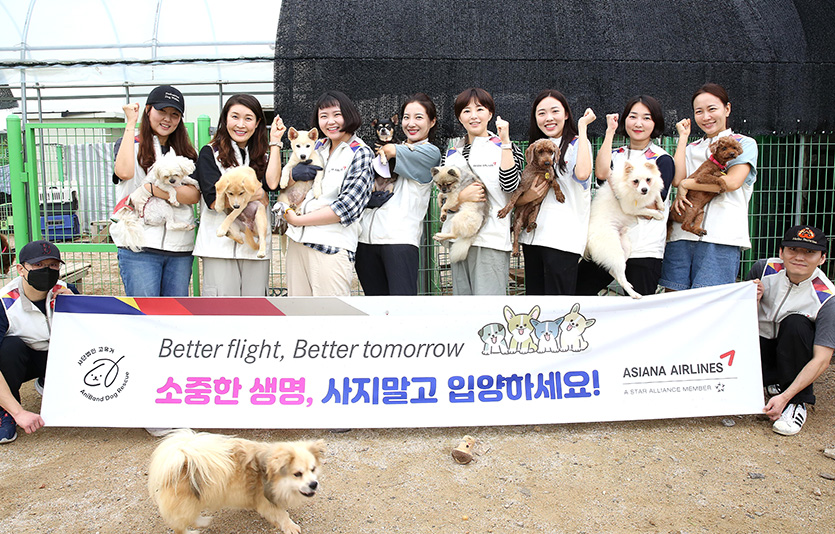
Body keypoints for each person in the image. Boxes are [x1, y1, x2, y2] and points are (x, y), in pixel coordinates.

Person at [660, 83, 758, 290]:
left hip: (721, 236)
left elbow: (732, 182)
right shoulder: (693, 147)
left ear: (727, 109)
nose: (706, 117)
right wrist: (683, 139)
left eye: (712, 109)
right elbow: (678, 179)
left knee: (710, 302)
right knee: (673, 298)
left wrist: (688, 184)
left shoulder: (744, 143)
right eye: (699, 112)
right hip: (681, 234)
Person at [577, 95, 674, 296]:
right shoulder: (615, 154)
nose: (638, 123)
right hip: (608, 240)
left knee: (640, 308)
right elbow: (602, 174)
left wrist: (620, 194)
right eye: (633, 116)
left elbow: (654, 205)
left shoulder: (662, 159)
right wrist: (610, 132)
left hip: (644, 249)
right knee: (579, 293)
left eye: (646, 118)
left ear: (655, 123)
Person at [281, 90, 374, 296]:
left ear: (349, 115)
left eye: (336, 114)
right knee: (298, 314)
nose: (330, 121)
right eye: (324, 116)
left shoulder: (360, 152)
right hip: (297, 243)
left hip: (330, 247)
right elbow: (283, 184)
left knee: (332, 318)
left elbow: (348, 208)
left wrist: (297, 220)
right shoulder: (317, 146)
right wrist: (293, 175)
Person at [112, 85, 200, 296]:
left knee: (174, 316)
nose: (167, 119)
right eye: (162, 111)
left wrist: (152, 189)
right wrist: (131, 123)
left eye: (174, 114)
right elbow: (124, 172)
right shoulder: (129, 144)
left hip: (178, 248)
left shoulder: (186, 153)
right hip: (139, 246)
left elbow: (194, 195)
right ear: (148, 110)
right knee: (145, 315)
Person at [747, 225, 833, 436]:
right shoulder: (764, 269)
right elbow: (736, 322)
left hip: (794, 354)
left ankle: (796, 403)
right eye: (793, 249)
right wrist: (752, 301)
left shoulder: (827, 297)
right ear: (781, 252)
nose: (799, 257)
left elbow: (822, 359)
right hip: (759, 350)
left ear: (822, 258)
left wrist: (785, 397)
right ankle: (769, 384)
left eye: (809, 252)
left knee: (796, 323)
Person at [193, 94, 283, 296]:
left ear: (258, 122)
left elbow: (272, 184)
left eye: (248, 118)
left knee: (256, 308)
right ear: (225, 119)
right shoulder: (209, 153)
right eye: (235, 117)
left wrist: (275, 142)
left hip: (256, 247)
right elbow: (214, 201)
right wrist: (257, 193)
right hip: (219, 248)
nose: (241, 124)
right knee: (220, 309)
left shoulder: (263, 155)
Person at [439, 88, 523, 296]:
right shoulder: (451, 151)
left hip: (490, 240)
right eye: (466, 111)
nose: (473, 116)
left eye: (480, 109)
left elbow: (510, 186)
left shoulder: (506, 146)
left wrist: (505, 143)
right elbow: (443, 197)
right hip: (458, 237)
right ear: (459, 117)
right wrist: (459, 199)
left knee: (488, 310)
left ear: (490, 114)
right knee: (463, 307)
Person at [356, 93, 442, 295]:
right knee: (375, 307)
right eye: (406, 117)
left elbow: (391, 151)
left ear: (432, 121)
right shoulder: (391, 148)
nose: (411, 123)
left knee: (401, 309)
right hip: (365, 239)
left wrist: (388, 149)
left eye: (419, 117)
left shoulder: (430, 152)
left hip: (399, 241)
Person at [517, 89, 595, 295]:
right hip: (533, 237)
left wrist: (583, 127)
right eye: (541, 113)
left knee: (559, 306)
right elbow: (522, 195)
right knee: (535, 302)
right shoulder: (534, 148)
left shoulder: (578, 143)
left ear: (566, 114)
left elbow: (584, 173)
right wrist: (530, 196)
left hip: (562, 238)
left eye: (555, 111)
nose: (548, 118)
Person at [0, 240, 76, 443]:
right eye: (38, 265)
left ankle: (50, 382)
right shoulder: (4, 303)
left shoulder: (66, 290)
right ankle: (6, 411)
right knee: (9, 347)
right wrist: (18, 412)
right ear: (21, 269)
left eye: (53, 265)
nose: (47, 271)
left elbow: (91, 334)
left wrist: (76, 305)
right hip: (26, 359)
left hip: (58, 357)